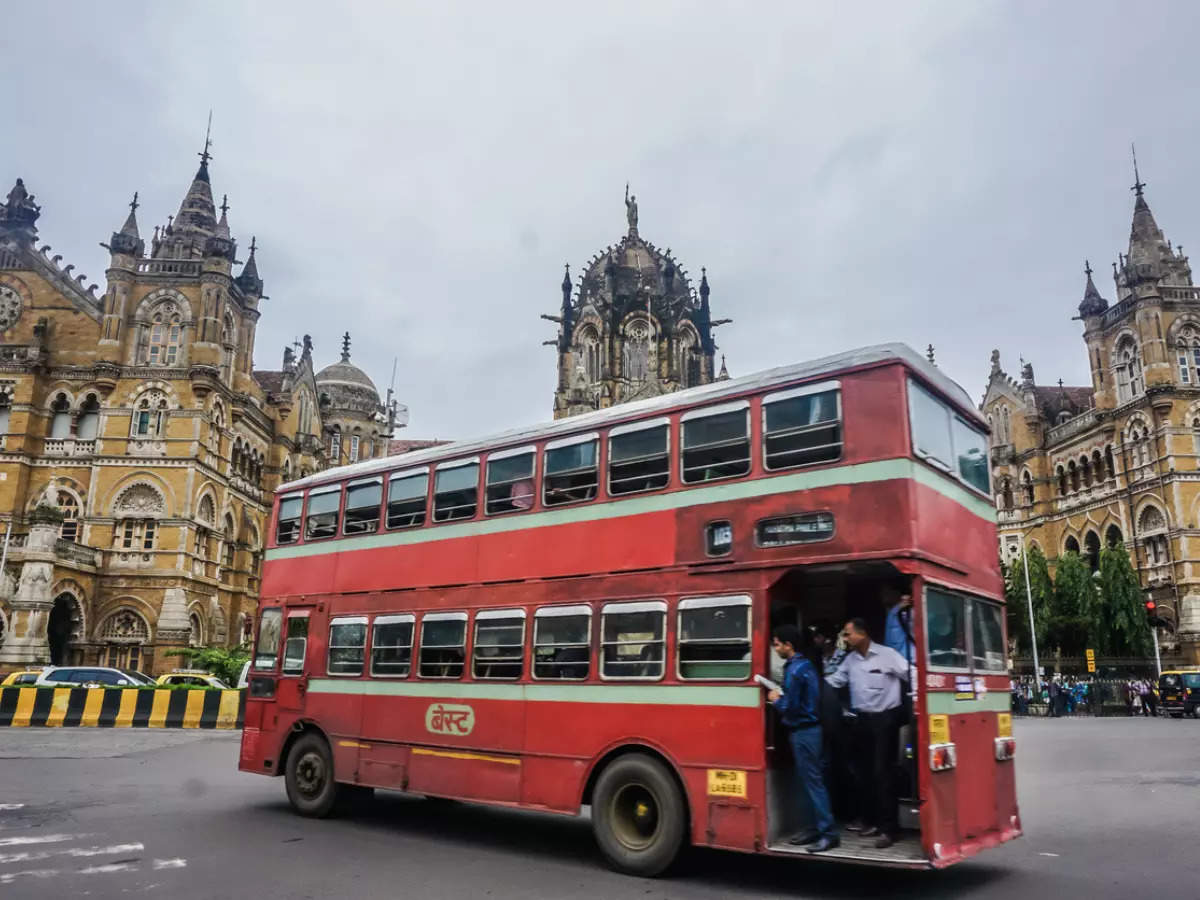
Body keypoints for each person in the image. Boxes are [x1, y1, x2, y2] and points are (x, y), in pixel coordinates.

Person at [825, 618, 909, 849]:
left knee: (883, 773)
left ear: (862, 634)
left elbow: (911, 673)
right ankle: (869, 820)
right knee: (862, 773)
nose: (846, 639)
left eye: (848, 634)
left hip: (884, 721)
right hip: (861, 720)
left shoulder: (887, 655)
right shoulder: (850, 660)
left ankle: (890, 829)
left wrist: (918, 701)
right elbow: (835, 681)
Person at [766, 624, 839, 854]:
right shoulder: (805, 665)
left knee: (813, 783)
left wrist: (775, 699)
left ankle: (828, 833)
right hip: (811, 731)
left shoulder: (796, 670)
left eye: (777, 644)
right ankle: (813, 828)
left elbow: (791, 706)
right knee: (809, 783)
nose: (775, 648)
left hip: (804, 731)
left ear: (789, 645)